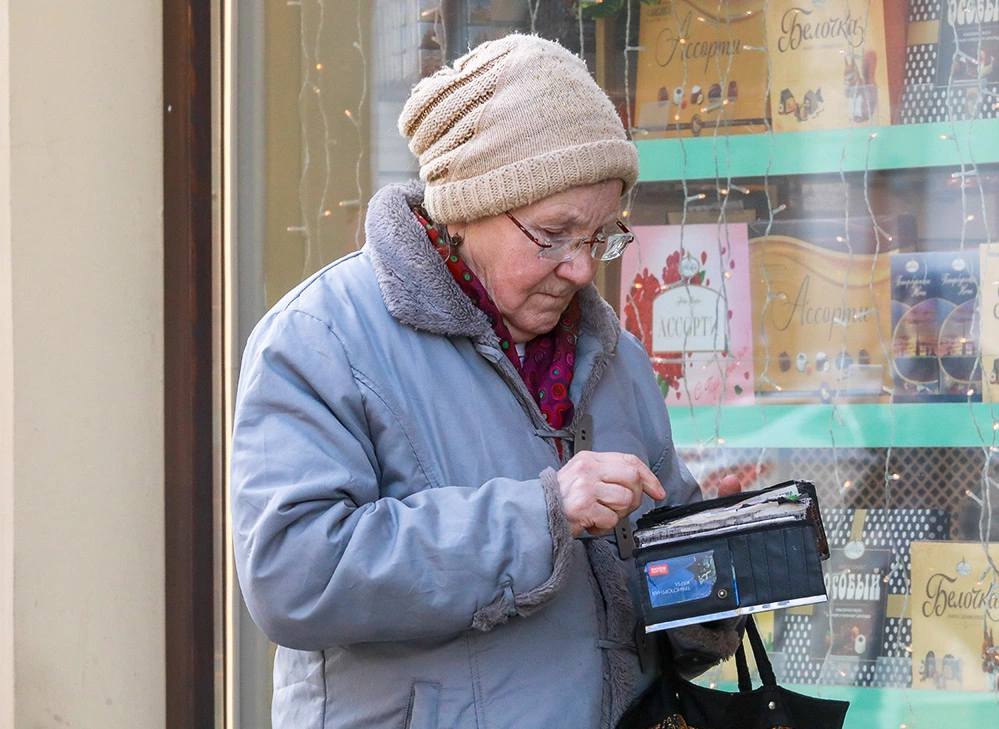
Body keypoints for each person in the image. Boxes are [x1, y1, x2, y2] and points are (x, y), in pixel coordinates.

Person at [231, 34, 742, 729]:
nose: (581, 268)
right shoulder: (321, 336)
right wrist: (541, 516)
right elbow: (294, 575)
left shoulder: (612, 356)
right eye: (554, 233)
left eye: (599, 236)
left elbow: (652, 573)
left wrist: (722, 570)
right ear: (467, 207)